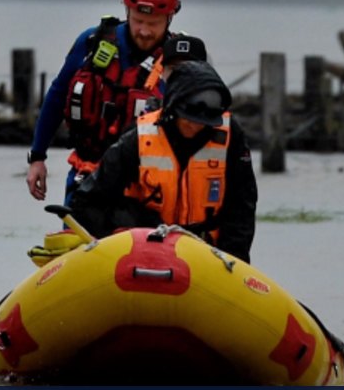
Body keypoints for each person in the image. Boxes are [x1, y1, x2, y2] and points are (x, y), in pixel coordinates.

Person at [26, 0, 208, 204]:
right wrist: (37, 157)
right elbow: (57, 96)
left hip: (146, 188)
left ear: (170, 18)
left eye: (153, 24)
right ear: (127, 12)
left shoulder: (181, 61)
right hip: (86, 177)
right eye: (138, 21)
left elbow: (203, 126)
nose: (144, 31)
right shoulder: (91, 43)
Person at [67, 60, 257, 262]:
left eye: (202, 122)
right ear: (173, 109)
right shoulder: (139, 137)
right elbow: (88, 200)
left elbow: (242, 205)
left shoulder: (230, 136)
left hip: (208, 253)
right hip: (146, 248)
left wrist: (234, 259)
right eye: (188, 119)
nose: (195, 126)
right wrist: (120, 238)